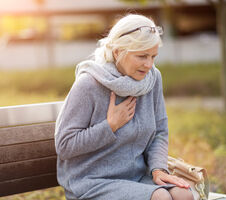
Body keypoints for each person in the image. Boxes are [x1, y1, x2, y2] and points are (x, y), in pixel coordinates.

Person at [55, 14, 194, 200]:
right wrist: (109, 126)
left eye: (153, 56)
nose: (149, 65)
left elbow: (160, 132)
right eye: (142, 56)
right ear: (118, 52)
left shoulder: (152, 79)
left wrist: (158, 169)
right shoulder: (89, 84)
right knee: (161, 198)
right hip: (93, 181)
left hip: (135, 177)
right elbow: (64, 145)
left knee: (184, 194)